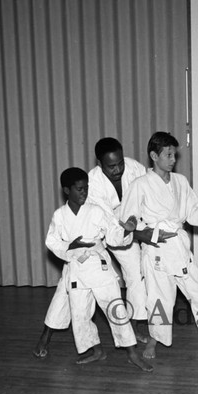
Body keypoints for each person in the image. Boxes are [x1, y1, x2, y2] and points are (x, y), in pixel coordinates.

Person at [119, 131, 198, 360]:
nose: (173, 159)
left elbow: (194, 215)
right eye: (168, 155)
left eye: (174, 155)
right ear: (154, 156)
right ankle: (154, 341)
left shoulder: (180, 181)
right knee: (159, 299)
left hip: (179, 247)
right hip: (157, 250)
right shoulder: (140, 185)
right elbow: (126, 222)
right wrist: (140, 233)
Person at [34, 138, 149, 359]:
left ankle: (133, 331)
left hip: (118, 232)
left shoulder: (134, 168)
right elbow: (55, 240)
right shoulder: (89, 186)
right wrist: (71, 247)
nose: (117, 170)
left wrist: (132, 229)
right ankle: (52, 338)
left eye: (120, 163)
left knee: (134, 275)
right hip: (90, 245)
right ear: (100, 163)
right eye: (111, 166)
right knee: (68, 295)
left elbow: (144, 196)